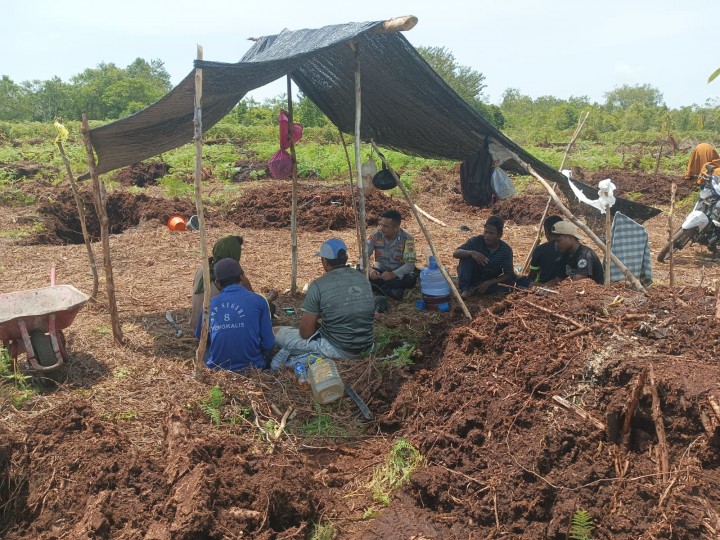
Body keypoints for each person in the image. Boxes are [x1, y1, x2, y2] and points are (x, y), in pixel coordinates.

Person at [274, 238, 375, 359]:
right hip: (367, 347)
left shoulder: (318, 285)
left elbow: (305, 333)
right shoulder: (363, 279)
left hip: (337, 349)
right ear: (346, 258)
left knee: (275, 332)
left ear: (324, 261)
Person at [195, 258, 275, 371]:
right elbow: (268, 342)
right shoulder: (259, 301)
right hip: (253, 366)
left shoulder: (210, 304)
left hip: (218, 367)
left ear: (218, 283)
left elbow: (200, 336)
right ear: (242, 276)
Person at [191, 235, 276, 330]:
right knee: (269, 308)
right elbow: (254, 303)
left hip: (197, 325)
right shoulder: (233, 276)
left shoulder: (202, 269)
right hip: (217, 329)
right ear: (235, 253)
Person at [453, 215, 515, 298]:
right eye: (485, 232)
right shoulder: (476, 241)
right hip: (472, 276)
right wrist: (472, 253)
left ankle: (476, 290)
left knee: (508, 287)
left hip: (490, 279)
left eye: (491, 233)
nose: (487, 236)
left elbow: (509, 274)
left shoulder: (506, 250)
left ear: (500, 235)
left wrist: (489, 282)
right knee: (466, 257)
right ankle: (465, 289)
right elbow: (456, 253)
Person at [366, 210, 418, 300]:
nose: (382, 228)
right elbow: (363, 257)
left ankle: (379, 288)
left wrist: (393, 274)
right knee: (359, 270)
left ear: (396, 228)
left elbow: (410, 264)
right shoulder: (375, 236)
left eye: (385, 226)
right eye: (381, 224)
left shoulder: (407, 239)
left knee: (410, 279)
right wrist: (370, 270)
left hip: (398, 275)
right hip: (379, 273)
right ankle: (390, 291)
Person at [527, 215, 567, 286]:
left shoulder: (540, 250)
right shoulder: (570, 249)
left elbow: (532, 274)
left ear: (546, 231)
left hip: (542, 286)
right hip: (564, 286)